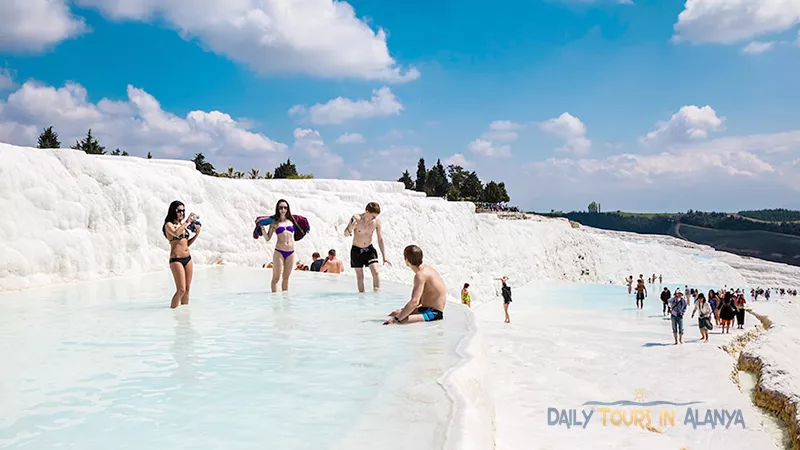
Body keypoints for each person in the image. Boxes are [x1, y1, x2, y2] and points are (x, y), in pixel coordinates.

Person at [384, 245, 446, 325]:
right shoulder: (426, 269)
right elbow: (423, 297)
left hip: (433, 313)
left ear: (406, 260)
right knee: (395, 313)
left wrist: (395, 320)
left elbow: (415, 302)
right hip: (426, 309)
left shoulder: (420, 275)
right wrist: (403, 311)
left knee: (397, 322)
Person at [345, 202, 391, 292]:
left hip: (369, 250)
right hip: (356, 250)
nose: (374, 218)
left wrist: (384, 257)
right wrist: (351, 228)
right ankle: (362, 299)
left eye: (376, 216)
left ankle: (376, 296)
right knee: (360, 277)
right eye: (373, 216)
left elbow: (380, 239)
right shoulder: (356, 218)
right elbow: (345, 233)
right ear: (367, 212)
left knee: (376, 272)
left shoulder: (376, 222)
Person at [163, 201, 201, 309]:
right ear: (173, 211)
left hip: (187, 259)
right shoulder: (169, 225)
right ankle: (172, 313)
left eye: (183, 211)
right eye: (179, 211)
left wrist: (196, 234)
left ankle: (184, 314)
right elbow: (175, 233)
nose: (182, 213)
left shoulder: (181, 225)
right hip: (176, 260)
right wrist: (187, 221)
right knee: (181, 290)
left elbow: (185, 243)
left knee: (187, 289)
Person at [263, 199, 296, 293]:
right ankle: (275, 303)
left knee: (286, 278)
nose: (283, 209)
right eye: (281, 207)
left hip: (291, 252)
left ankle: (285, 303)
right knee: (276, 278)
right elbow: (267, 238)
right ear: (278, 209)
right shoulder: (274, 223)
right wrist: (262, 229)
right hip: (279, 251)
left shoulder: (292, 221)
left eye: (285, 207)